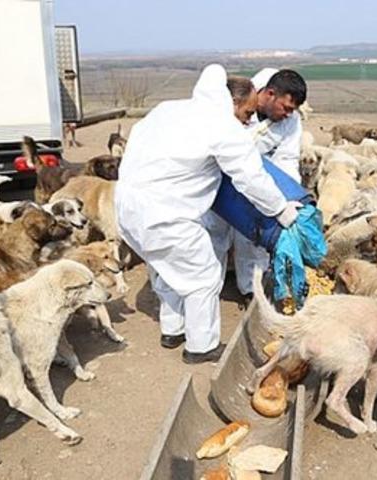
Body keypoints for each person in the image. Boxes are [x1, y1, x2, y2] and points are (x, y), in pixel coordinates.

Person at [115, 64, 300, 364]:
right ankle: (201, 347)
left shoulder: (167, 110)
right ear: (233, 103)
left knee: (168, 270)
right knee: (202, 276)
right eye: (247, 114)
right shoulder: (221, 125)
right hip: (165, 213)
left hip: (128, 208)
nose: (248, 121)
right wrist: (281, 209)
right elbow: (250, 177)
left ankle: (172, 330)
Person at [206, 68, 308, 301]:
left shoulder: (290, 121)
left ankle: (252, 290)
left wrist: (288, 195)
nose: (288, 115)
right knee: (214, 235)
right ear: (270, 94)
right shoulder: (237, 99)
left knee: (253, 238)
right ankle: (209, 290)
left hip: (258, 183)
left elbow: (287, 158)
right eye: (286, 108)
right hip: (218, 181)